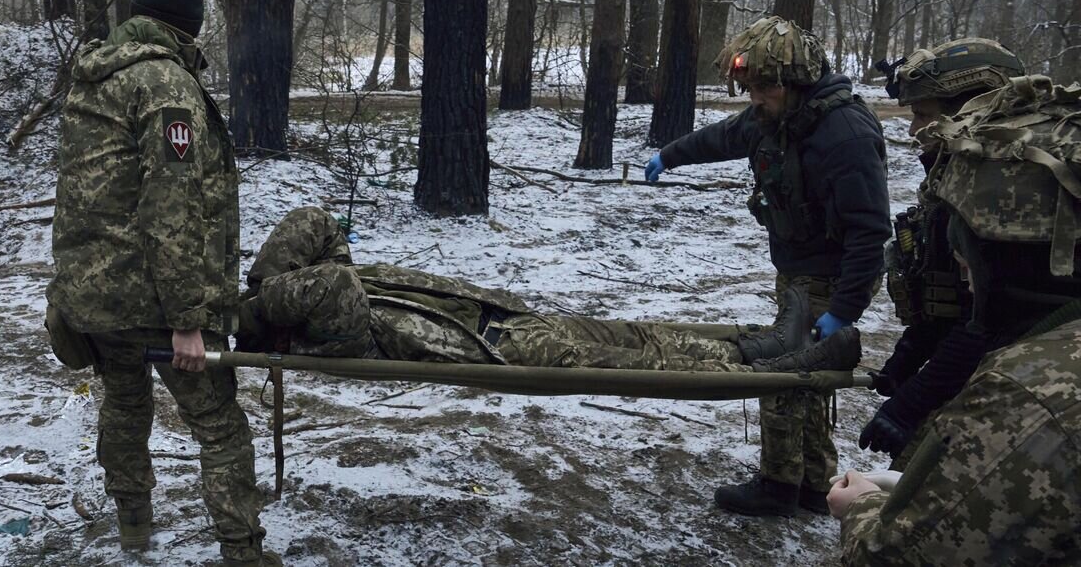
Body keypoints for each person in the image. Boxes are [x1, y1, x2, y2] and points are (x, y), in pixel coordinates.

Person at [45, 0, 279, 566]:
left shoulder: (96, 76)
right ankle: (243, 551)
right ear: (188, 23)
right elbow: (171, 208)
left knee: (124, 404)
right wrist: (186, 319)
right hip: (150, 299)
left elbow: (86, 194)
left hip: (92, 297)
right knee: (220, 424)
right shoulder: (165, 85)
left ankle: (132, 527)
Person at [644, 16, 891, 516]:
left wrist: (843, 309)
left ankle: (779, 485)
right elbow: (723, 138)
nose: (754, 97)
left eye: (764, 87)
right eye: (748, 87)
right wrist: (670, 156)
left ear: (795, 81)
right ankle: (815, 484)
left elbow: (869, 230)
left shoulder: (845, 134)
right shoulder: (775, 117)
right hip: (798, 270)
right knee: (809, 381)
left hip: (830, 275)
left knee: (782, 376)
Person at [830, 75, 1081, 564]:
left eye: (967, 250)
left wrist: (862, 506)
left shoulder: (1031, 395)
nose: (960, 266)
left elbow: (898, 555)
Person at [235, 207, 863, 375]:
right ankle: (778, 362)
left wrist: (259, 287)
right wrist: (264, 306)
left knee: (630, 333)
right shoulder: (328, 333)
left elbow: (316, 222)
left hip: (502, 317)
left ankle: (758, 345)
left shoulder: (301, 297)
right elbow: (335, 279)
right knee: (636, 360)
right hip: (498, 349)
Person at [861, 39, 1025, 466]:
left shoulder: (1007, 198)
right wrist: (906, 359)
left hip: (1005, 387)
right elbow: (949, 300)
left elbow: (992, 324)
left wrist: (910, 402)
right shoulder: (957, 180)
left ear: (971, 113)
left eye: (924, 116)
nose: (914, 129)